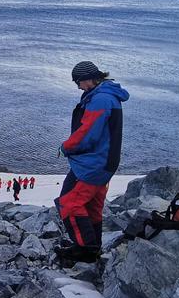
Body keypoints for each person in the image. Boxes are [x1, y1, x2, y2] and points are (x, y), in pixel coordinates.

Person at [55, 61, 129, 264]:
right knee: (92, 205)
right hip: (106, 162)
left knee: (69, 203)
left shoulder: (101, 99)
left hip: (92, 164)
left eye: (78, 82)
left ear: (88, 79)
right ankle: (93, 246)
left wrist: (66, 147)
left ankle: (85, 250)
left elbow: (88, 133)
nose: (78, 87)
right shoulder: (108, 94)